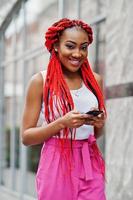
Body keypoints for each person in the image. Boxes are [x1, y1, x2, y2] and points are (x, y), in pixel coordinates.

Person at [21, 18, 107, 200]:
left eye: (83, 47)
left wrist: (99, 123)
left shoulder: (95, 81)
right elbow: (26, 137)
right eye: (70, 46)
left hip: (88, 159)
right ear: (56, 46)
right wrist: (61, 123)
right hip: (56, 160)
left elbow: (96, 133)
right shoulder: (41, 82)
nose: (78, 53)